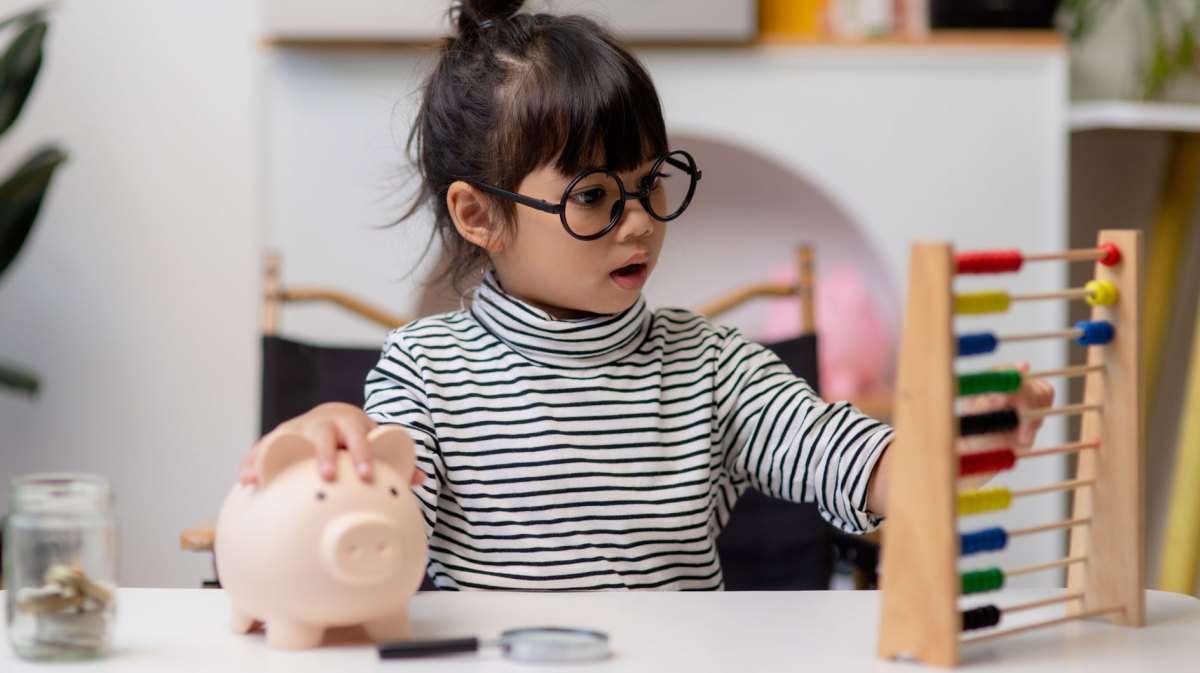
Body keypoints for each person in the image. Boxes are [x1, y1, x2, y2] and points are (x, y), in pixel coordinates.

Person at [238, 0, 1054, 590]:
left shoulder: (713, 365)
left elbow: (854, 462)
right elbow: (368, 532)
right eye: (593, 196)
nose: (639, 222)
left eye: (650, 183)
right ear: (479, 215)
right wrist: (330, 442)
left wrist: (957, 436)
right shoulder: (426, 370)